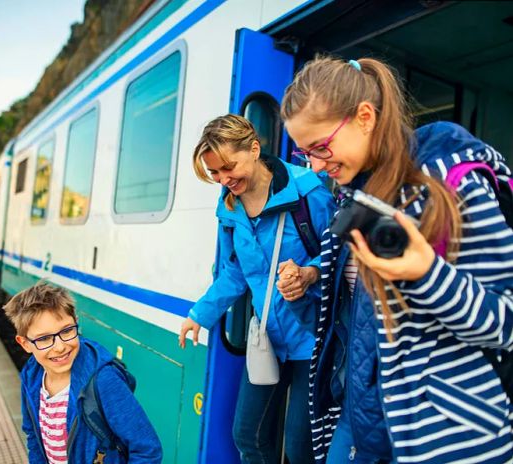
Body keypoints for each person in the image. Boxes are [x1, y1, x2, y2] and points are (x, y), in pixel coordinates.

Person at [279, 56, 513, 463]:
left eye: (321, 147)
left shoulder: (449, 185)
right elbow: (347, 325)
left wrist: (427, 274)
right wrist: (303, 290)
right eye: (305, 154)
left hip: (446, 437)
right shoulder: (353, 201)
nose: (316, 165)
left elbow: (506, 323)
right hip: (361, 421)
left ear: (365, 117)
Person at [178, 114, 335, 463]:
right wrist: (199, 315)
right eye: (215, 173)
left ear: (253, 148)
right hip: (268, 336)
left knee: (300, 448)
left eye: (228, 167)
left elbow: (343, 257)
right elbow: (234, 271)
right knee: (248, 435)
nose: (223, 180)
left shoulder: (309, 191)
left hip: (313, 337)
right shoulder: (229, 205)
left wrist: (309, 273)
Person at [4, 283, 163, 464]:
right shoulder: (31, 377)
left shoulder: (104, 380)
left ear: (76, 323)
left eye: (66, 331)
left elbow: (147, 449)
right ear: (24, 343)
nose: (60, 346)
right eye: (44, 338)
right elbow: (33, 433)